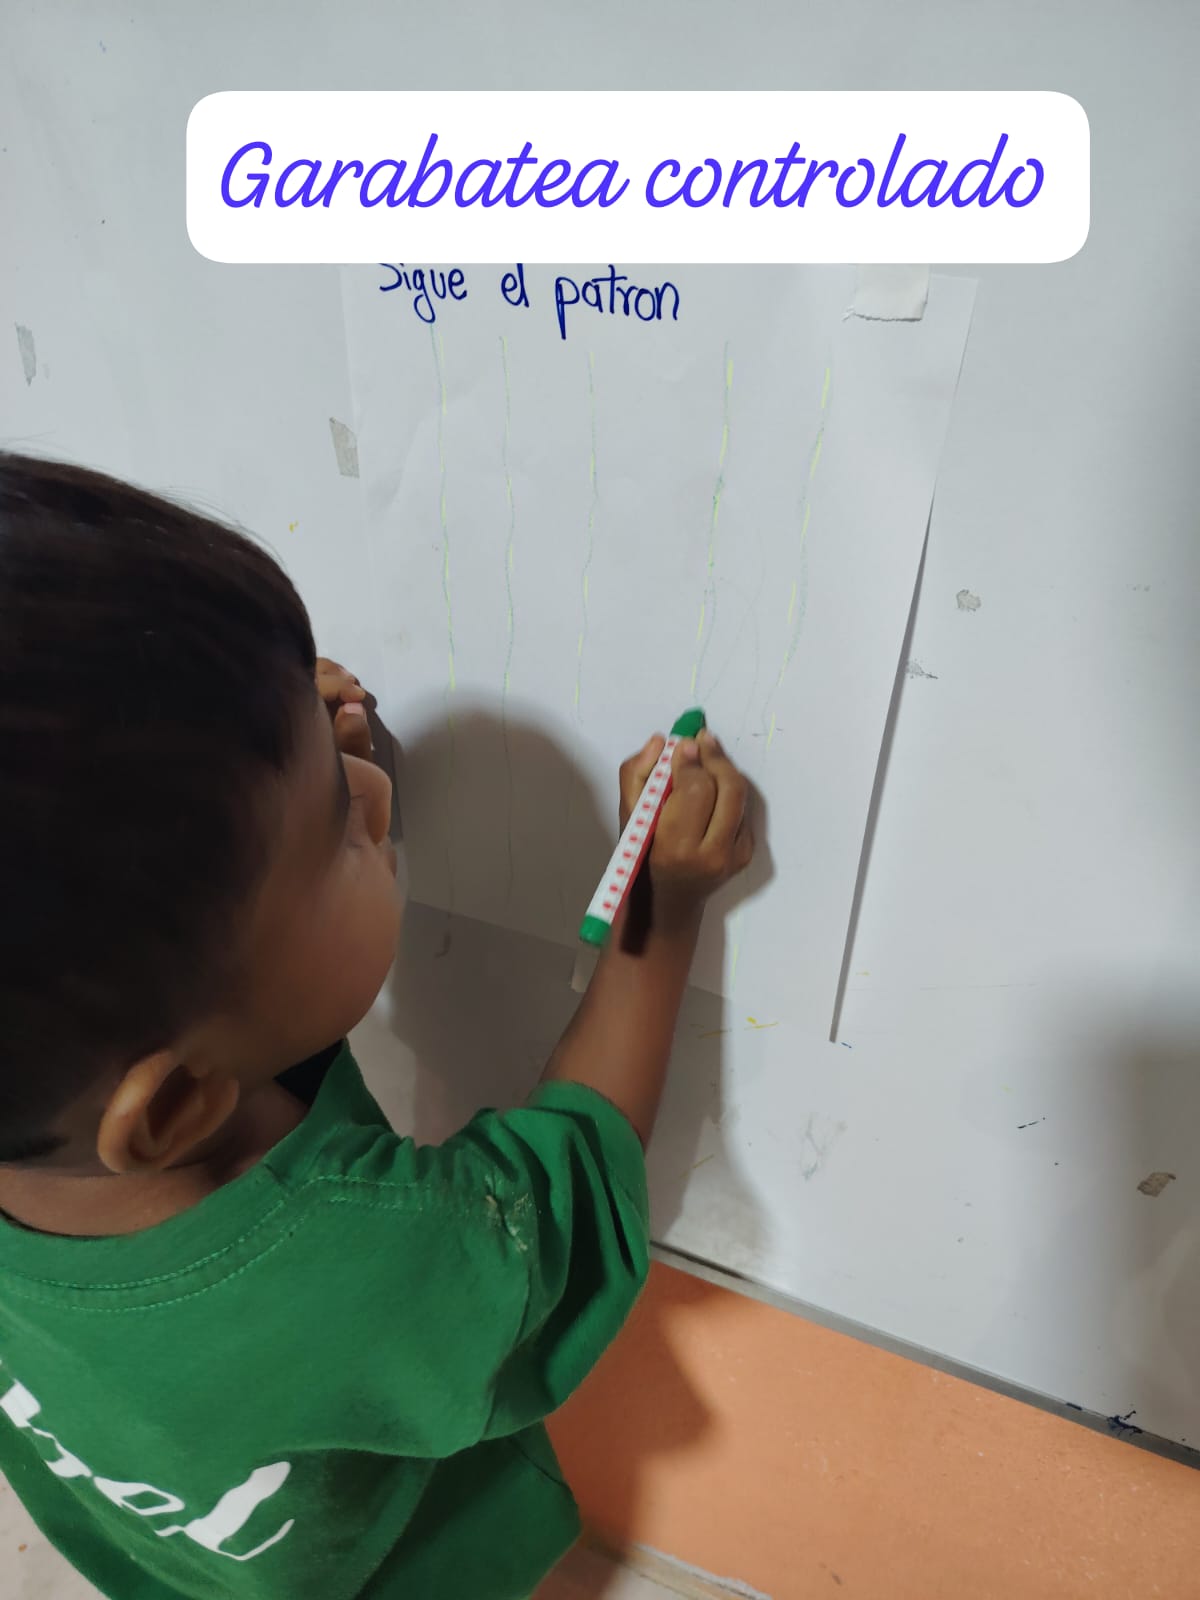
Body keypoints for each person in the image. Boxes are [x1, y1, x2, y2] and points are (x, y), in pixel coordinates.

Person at [0, 452, 753, 1600]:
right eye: (336, 828)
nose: (376, 795)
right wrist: (664, 906)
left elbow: (260, 980)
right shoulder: (373, 1261)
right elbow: (561, 1191)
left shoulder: (49, 1089)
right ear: (177, 1102)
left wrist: (287, 768)